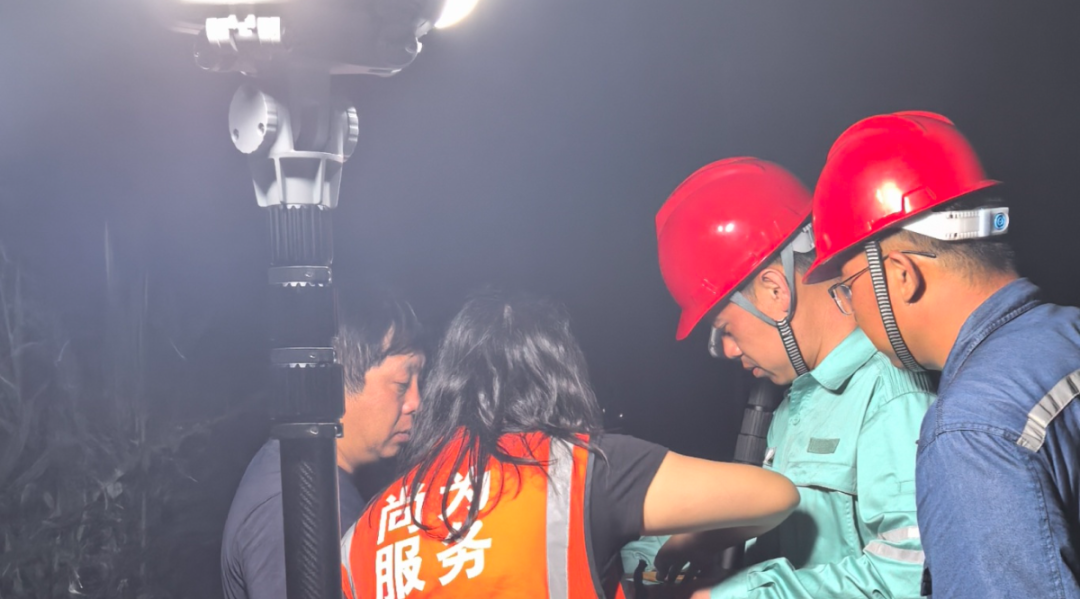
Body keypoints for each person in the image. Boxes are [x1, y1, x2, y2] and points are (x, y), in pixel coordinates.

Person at [340, 291, 800, 598]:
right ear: (558, 377)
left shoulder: (365, 529)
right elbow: (775, 496)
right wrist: (686, 546)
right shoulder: (573, 466)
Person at [803, 110, 1080, 598]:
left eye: (847, 287)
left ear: (900, 274)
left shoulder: (970, 430)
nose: (851, 310)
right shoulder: (1069, 331)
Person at [633, 157, 936, 599]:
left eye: (726, 328)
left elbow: (909, 577)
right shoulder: (796, 404)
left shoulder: (890, 396)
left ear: (776, 291)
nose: (729, 350)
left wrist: (731, 596)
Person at [221, 292, 425, 599]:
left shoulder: (319, 480)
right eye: (401, 384)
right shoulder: (293, 508)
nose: (416, 402)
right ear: (339, 381)